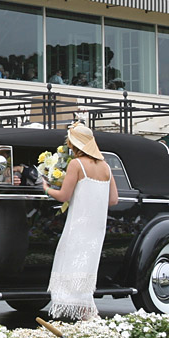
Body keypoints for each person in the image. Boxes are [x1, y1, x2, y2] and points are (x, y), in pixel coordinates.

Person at [42, 122, 119, 320]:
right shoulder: (106, 167)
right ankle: (87, 312)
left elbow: (63, 195)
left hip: (79, 225)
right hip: (96, 227)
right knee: (86, 268)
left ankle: (81, 313)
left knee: (69, 263)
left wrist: (46, 188)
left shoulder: (76, 164)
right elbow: (113, 200)